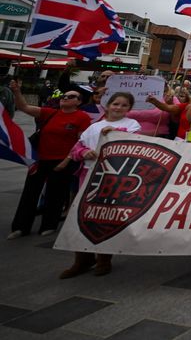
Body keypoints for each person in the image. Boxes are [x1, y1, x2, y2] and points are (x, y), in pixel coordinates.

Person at [58, 92, 141, 278]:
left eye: (124, 105)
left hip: (112, 177)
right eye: (116, 104)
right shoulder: (94, 127)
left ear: (129, 109)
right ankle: (82, 259)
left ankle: (104, 259)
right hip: (88, 175)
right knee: (82, 216)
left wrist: (116, 133)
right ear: (108, 105)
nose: (119, 108)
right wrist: (84, 152)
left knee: (105, 218)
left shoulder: (132, 125)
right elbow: (77, 148)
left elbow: (135, 144)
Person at [8, 80, 91, 239]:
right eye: (64, 96)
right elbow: (24, 107)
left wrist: (66, 161)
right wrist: (17, 92)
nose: (65, 98)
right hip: (40, 160)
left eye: (71, 96)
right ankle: (20, 227)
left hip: (62, 161)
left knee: (55, 194)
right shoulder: (50, 113)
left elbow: (80, 142)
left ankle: (49, 225)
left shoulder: (82, 117)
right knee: (30, 193)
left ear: (79, 102)